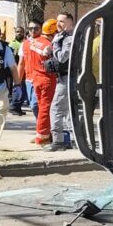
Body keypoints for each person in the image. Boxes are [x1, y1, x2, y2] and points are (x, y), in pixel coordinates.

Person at [17, 19, 55, 144]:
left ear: (41, 29)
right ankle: (43, 132)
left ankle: (44, 133)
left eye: (36, 28)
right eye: (31, 28)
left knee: (39, 106)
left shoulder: (46, 43)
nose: (33, 31)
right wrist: (17, 82)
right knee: (34, 106)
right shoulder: (25, 44)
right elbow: (21, 64)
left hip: (41, 79)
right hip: (29, 80)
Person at [44, 12, 74, 151]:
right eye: (57, 21)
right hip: (64, 77)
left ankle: (58, 141)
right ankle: (71, 140)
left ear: (70, 23)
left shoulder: (69, 38)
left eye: (62, 21)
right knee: (68, 111)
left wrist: (54, 47)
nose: (58, 24)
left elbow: (62, 58)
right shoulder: (61, 37)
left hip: (67, 78)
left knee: (56, 109)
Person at [8, 26, 28, 116]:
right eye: (17, 32)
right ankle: (14, 107)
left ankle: (18, 107)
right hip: (17, 69)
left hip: (25, 69)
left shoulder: (25, 43)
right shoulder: (12, 44)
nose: (19, 33)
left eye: (21, 32)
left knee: (23, 89)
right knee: (18, 87)